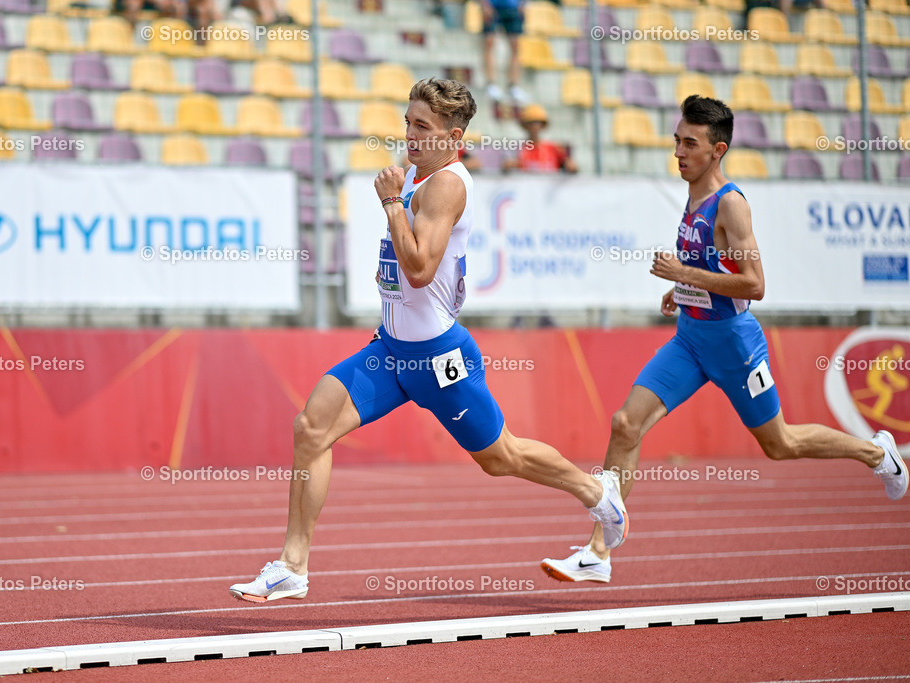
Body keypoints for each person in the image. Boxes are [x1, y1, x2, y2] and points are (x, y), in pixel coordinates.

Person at [230, 78, 628, 602]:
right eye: (407, 122)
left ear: (453, 136)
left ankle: (598, 491)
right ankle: (292, 566)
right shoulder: (419, 174)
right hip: (391, 351)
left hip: (439, 357)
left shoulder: (446, 185)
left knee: (500, 457)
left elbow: (418, 269)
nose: (410, 135)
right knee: (311, 428)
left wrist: (393, 202)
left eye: (422, 126)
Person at [540, 95, 908, 585]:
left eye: (689, 143)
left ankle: (877, 452)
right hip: (690, 340)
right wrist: (682, 288)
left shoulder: (730, 205)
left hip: (734, 346)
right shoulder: (691, 197)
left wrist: (683, 273)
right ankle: (598, 551)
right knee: (625, 424)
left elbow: (755, 285)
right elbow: (718, 270)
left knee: (781, 444)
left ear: (718, 149)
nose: (678, 151)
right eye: (676, 141)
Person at [503, 104, 578, 174]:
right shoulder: (518, 150)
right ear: (525, 126)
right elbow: (506, 168)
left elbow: (572, 167)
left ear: (542, 125)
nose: (534, 127)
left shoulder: (554, 148)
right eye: (531, 123)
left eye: (537, 123)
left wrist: (571, 166)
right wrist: (508, 166)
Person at [480, 0, 528, 104]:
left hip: (513, 7)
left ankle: (513, 85)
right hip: (492, 5)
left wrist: (524, 4)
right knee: (489, 42)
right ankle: (490, 84)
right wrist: (485, 4)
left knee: (515, 45)